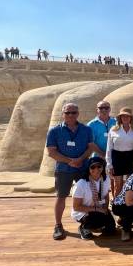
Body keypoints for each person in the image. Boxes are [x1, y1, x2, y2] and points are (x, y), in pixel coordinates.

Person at [46, 103, 97, 240]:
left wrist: (80, 159)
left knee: (86, 196)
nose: (70, 115)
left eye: (73, 112)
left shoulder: (86, 130)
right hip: (64, 169)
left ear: (78, 114)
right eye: (67, 113)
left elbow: (90, 148)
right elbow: (51, 152)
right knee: (61, 196)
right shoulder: (54, 131)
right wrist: (70, 161)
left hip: (82, 167)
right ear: (62, 114)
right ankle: (58, 225)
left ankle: (84, 224)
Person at [71, 156, 115, 240]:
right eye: (93, 167)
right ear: (88, 169)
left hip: (100, 207)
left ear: (103, 167)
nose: (96, 169)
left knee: (111, 229)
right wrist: (98, 209)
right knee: (93, 219)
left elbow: (106, 195)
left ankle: (96, 225)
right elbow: (76, 207)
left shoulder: (105, 180)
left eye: (99, 166)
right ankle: (83, 227)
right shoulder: (81, 184)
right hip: (83, 212)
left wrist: (105, 208)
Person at [106, 107, 133, 197]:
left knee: (130, 185)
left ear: (131, 118)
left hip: (131, 158)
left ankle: (127, 205)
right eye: (123, 116)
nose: (125, 118)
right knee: (118, 185)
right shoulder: (113, 130)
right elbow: (109, 148)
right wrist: (109, 164)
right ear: (120, 118)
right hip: (117, 158)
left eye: (127, 116)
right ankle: (116, 205)